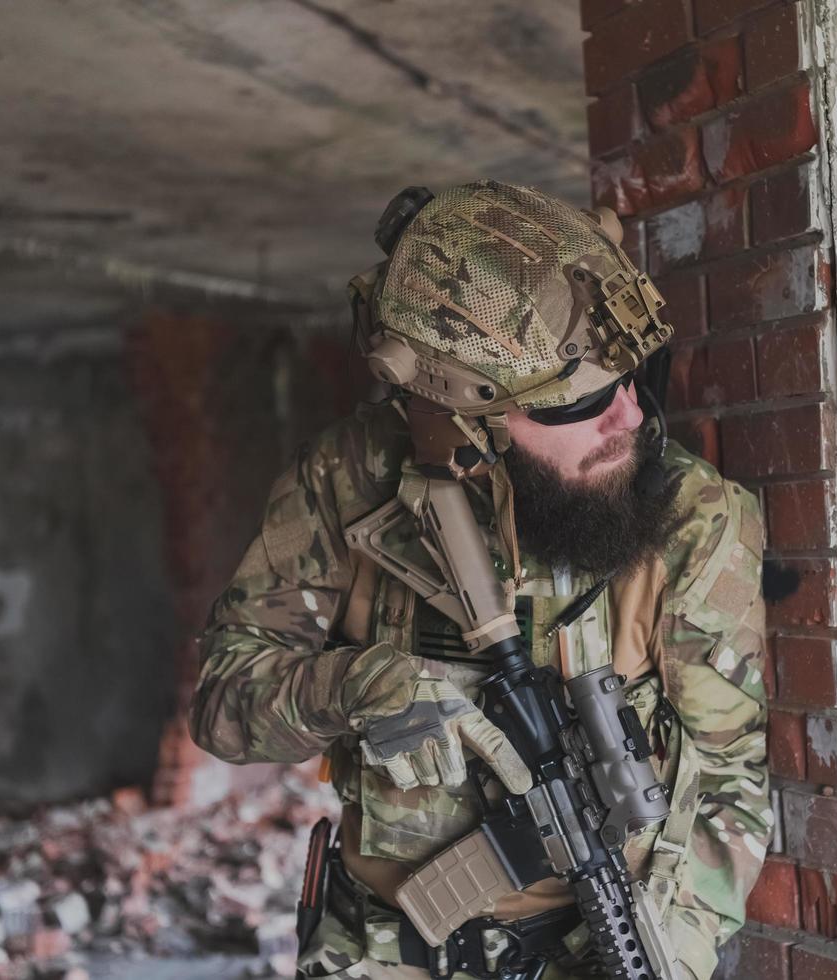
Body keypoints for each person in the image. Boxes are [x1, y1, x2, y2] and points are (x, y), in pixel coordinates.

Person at [190, 179, 771, 980]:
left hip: (602, 947)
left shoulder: (693, 518)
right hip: (385, 952)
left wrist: (672, 955)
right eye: (579, 407)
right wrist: (356, 687)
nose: (630, 419)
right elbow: (224, 709)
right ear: (468, 420)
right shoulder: (345, 480)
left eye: (633, 380)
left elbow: (730, 779)